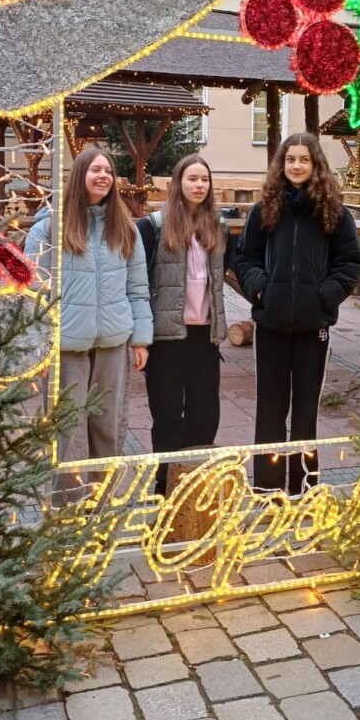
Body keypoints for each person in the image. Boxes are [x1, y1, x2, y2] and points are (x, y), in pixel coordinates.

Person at [235, 133, 360, 495]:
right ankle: (268, 488)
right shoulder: (264, 210)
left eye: (304, 159)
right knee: (270, 410)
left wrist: (325, 297)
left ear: (315, 164)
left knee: (306, 413)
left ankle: (303, 488)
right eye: (290, 159)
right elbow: (244, 257)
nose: (296, 166)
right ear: (282, 164)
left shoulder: (333, 212)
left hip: (313, 329)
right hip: (271, 326)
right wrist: (262, 289)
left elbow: (350, 263)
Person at [24, 148, 152, 496]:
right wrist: (37, 348)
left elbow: (138, 289)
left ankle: (102, 502)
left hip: (113, 343)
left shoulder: (126, 230)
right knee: (69, 430)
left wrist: (141, 339)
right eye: (95, 169)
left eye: (108, 171)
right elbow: (33, 293)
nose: (103, 176)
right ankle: (68, 505)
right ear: (80, 175)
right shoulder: (50, 228)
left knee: (108, 425)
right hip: (66, 346)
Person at [137, 155, 230, 490]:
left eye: (204, 179)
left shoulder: (217, 227)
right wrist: (140, 337)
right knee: (167, 418)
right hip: (166, 340)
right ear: (178, 182)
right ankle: (166, 488)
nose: (199, 185)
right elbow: (138, 282)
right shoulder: (153, 227)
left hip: (205, 337)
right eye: (192, 178)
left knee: (206, 416)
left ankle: (194, 489)